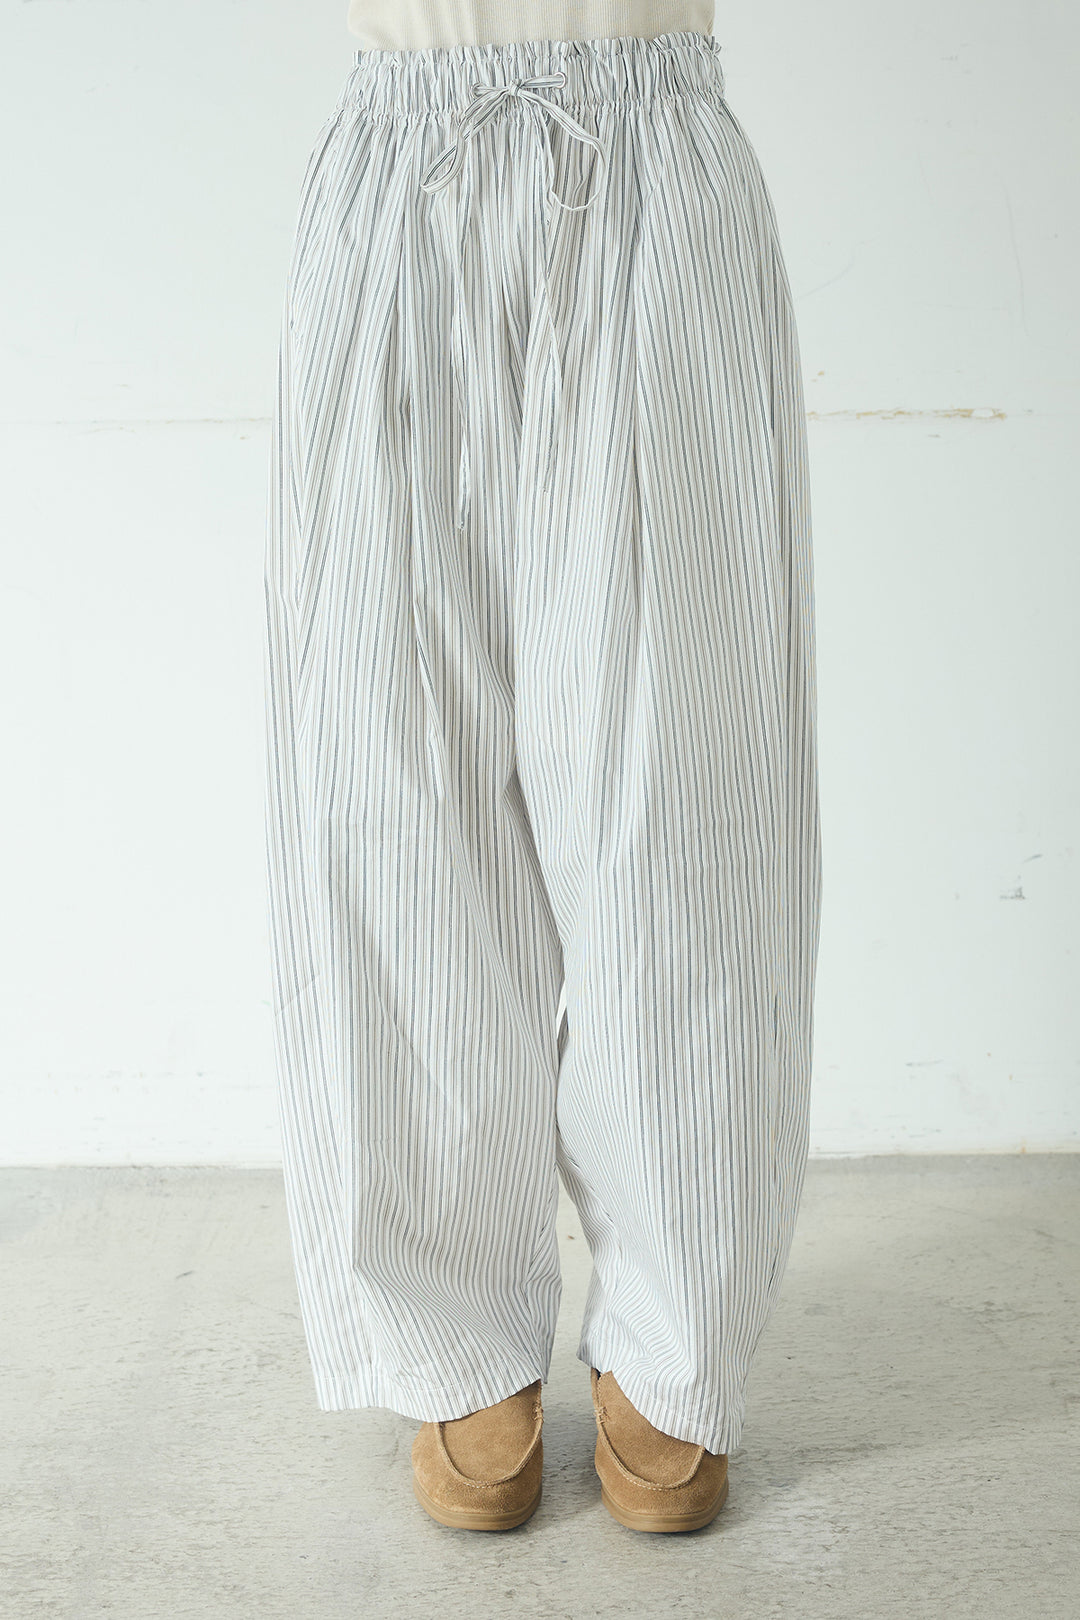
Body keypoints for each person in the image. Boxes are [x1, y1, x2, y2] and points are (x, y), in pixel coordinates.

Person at [263, 0, 821, 1534]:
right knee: (390, 775)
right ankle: (450, 1325)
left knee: (680, 782)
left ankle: (675, 1331)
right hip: (403, 162)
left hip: (655, 154)